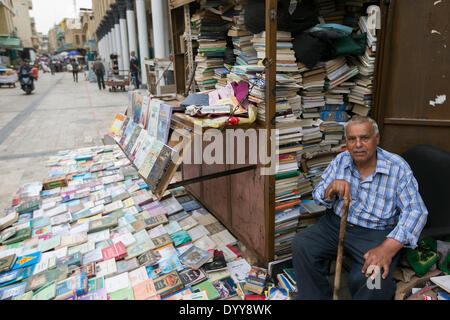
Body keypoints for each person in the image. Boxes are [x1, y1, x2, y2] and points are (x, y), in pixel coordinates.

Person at [291, 116, 428, 300]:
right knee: (302, 244)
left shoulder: (397, 168)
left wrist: (387, 248)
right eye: (352, 139)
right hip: (335, 225)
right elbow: (318, 195)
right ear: (346, 141)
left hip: (376, 234)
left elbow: (416, 212)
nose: (358, 145)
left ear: (377, 139)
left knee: (375, 280)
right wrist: (329, 189)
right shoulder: (341, 160)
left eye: (364, 138)